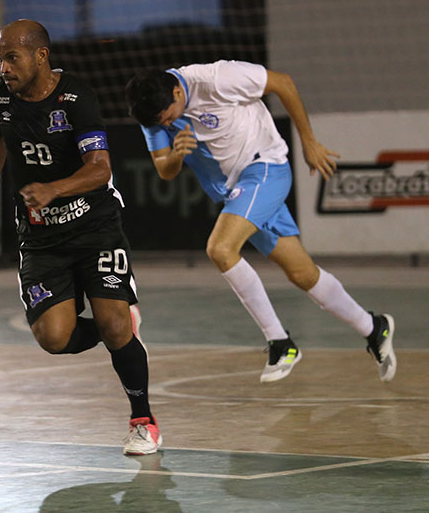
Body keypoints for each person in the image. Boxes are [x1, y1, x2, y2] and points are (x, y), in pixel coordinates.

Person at [125, 61, 396, 383]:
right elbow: (165, 170)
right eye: (161, 123)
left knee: (220, 249)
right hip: (237, 192)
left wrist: (308, 141)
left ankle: (280, 342)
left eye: (169, 117)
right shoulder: (153, 112)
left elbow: (283, 83)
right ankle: (373, 327)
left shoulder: (217, 79)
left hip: (265, 169)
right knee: (303, 273)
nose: (167, 124)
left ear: (176, 92)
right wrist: (177, 154)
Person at [0, 20, 161, 455]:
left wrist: (53, 189)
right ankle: (119, 329)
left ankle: (143, 421)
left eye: (11, 58)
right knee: (54, 338)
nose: (3, 68)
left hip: (95, 227)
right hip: (40, 238)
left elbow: (100, 169)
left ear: (41, 56)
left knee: (113, 323)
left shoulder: (76, 98)